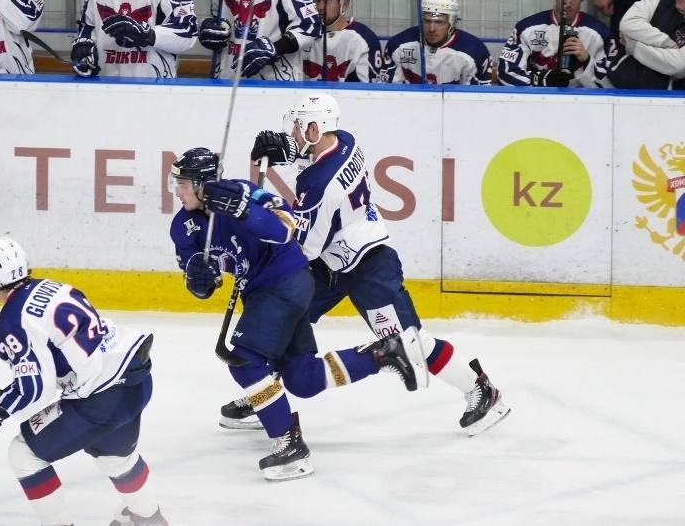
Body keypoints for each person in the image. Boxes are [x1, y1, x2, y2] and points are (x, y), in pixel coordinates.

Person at [219, 93, 511, 439]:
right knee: (281, 317)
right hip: (332, 262)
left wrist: (258, 236)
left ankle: (482, 390)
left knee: (408, 341)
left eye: (298, 127)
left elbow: (305, 248)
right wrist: (288, 149)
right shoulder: (344, 140)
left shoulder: (319, 186)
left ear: (314, 129)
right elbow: (316, 159)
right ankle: (266, 394)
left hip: (367, 267)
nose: (293, 133)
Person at [169, 147, 429, 481]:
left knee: (246, 362)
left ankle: (288, 443)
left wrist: (244, 210)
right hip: (260, 293)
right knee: (302, 379)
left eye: (183, 185)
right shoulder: (183, 226)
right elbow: (201, 285)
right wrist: (199, 278)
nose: (177, 192)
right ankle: (383, 354)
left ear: (203, 184)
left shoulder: (243, 193)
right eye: (176, 184)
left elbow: (286, 228)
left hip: (287, 281)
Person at [0, 237, 167, 526]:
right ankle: (150, 519)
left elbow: (35, 389)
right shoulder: (51, 286)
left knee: (24, 455)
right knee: (114, 457)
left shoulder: (12, 320)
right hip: (135, 376)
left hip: (102, 397)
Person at [497, 0, 615, 87]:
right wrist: (539, 80)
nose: (567, 3)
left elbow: (611, 84)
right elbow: (505, 72)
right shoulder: (527, 28)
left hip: (581, 101)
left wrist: (586, 60)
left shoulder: (600, 33)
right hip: (538, 99)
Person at [197, 0, 322, 80]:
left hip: (276, 83)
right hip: (226, 79)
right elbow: (218, 17)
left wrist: (276, 48)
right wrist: (209, 29)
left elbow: (311, 27)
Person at [70, 0, 197, 78]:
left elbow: (188, 33)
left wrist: (148, 34)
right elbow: (87, 27)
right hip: (105, 85)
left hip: (155, 87)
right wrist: (84, 49)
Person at [381, 0, 492, 85]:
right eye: (427, 21)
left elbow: (477, 98)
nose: (432, 29)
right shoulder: (398, 45)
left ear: (452, 22)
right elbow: (389, 93)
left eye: (439, 22)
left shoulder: (475, 51)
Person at [604, 0, 685, 88]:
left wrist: (633, 46)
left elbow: (679, 66)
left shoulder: (631, 45)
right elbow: (627, 24)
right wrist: (668, 44)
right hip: (617, 84)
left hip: (664, 94)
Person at [302, 0, 382, 82]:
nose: (319, 7)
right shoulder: (301, 34)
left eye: (327, 1)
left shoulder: (364, 39)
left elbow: (366, 88)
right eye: (316, 0)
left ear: (344, 4)